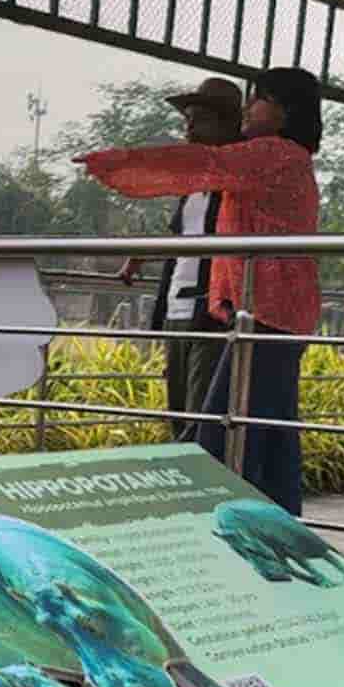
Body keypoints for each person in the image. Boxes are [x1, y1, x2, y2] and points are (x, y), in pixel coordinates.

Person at [77, 66, 321, 515]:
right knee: (265, 428)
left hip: (264, 311)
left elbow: (198, 163)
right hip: (269, 311)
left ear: (284, 111)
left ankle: (228, 526)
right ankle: (278, 526)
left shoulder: (272, 154)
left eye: (258, 99)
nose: (250, 108)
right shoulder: (285, 158)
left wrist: (118, 162)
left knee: (222, 431)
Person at [117, 77, 241, 438]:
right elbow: (181, 238)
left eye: (199, 119)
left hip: (211, 310)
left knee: (201, 416)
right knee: (177, 411)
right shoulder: (193, 184)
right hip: (177, 306)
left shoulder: (237, 184)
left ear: (225, 125)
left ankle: (205, 472)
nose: (189, 127)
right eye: (187, 119)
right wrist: (141, 256)